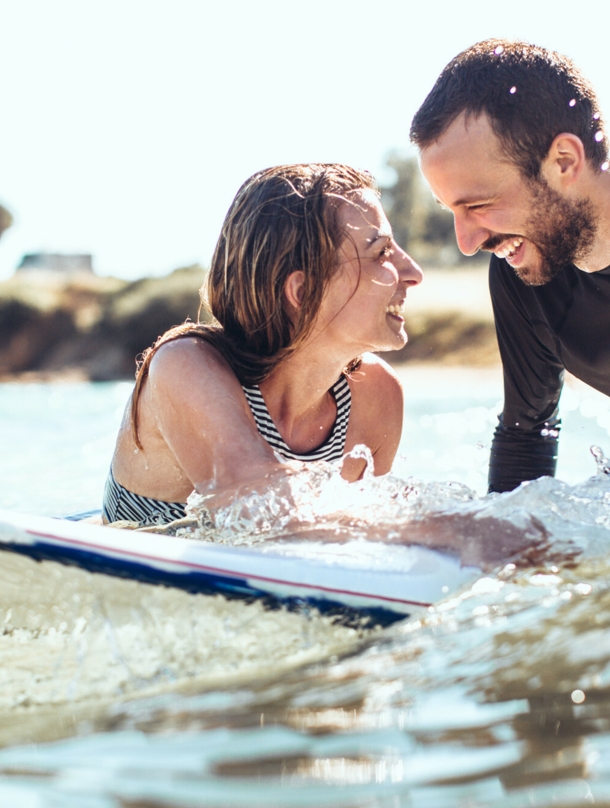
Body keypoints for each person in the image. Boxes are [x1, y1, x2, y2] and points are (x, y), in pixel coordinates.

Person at [102, 163, 422, 528]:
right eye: (382, 253)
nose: (413, 272)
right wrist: (459, 532)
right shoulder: (185, 365)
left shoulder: (375, 396)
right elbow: (259, 509)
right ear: (303, 292)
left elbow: (354, 552)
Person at [409, 39, 610, 493]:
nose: (466, 243)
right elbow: (527, 436)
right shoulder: (524, 276)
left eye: (479, 204)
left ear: (564, 161)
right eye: (450, 212)